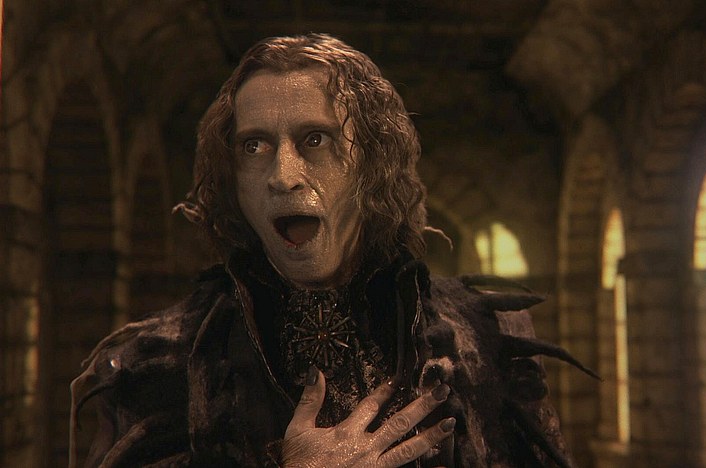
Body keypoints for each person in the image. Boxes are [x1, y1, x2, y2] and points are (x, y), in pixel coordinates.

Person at [70, 33, 593, 468]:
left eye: (315, 140)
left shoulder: (482, 340)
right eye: (254, 146)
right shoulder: (163, 363)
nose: (282, 175)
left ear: (373, 164)